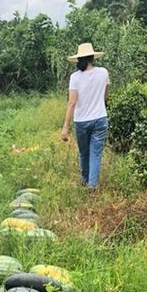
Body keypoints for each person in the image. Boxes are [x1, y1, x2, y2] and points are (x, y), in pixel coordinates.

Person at [60, 42, 110, 191]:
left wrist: (65, 127)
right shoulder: (103, 72)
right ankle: (92, 186)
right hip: (100, 118)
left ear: (79, 59)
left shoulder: (75, 77)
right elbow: (106, 96)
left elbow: (72, 102)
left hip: (81, 121)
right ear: (92, 57)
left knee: (84, 153)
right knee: (95, 154)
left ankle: (85, 180)